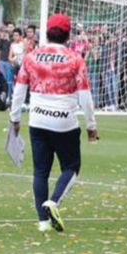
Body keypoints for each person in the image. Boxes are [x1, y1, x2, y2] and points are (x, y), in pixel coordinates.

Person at [9, 13, 98, 233]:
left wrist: (15, 118)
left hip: (37, 118)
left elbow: (19, 89)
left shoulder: (32, 56)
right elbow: (85, 95)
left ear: (47, 32)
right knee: (71, 166)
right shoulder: (75, 58)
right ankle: (54, 201)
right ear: (68, 34)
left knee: (40, 171)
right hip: (64, 120)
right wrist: (91, 125)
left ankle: (43, 222)